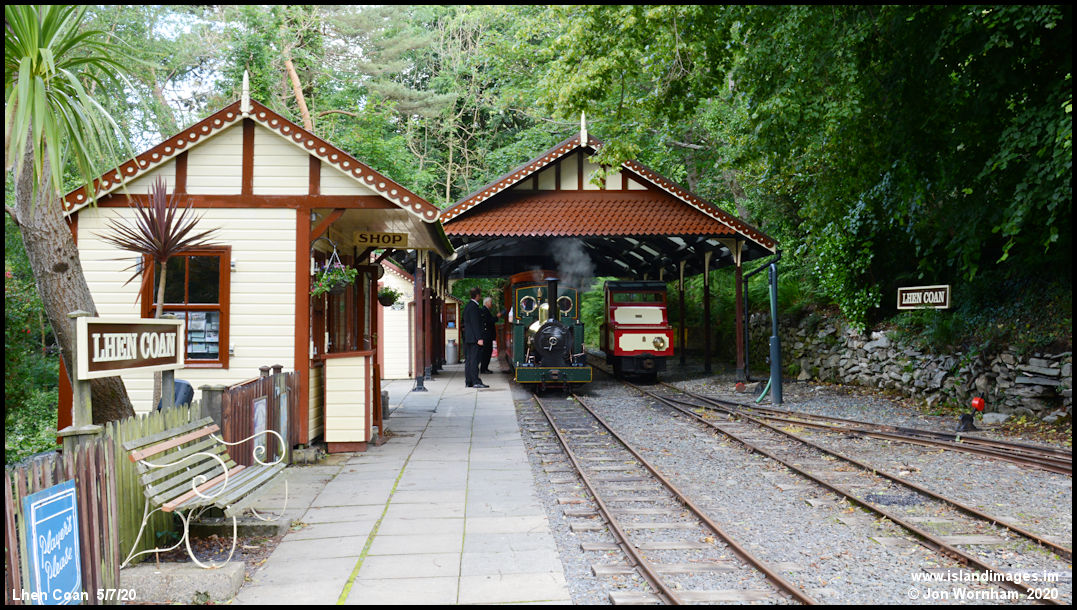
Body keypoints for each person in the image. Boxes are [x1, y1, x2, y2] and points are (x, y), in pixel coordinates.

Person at [462, 286, 488, 388]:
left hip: (468, 337)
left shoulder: (468, 306)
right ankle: (475, 381)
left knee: (469, 360)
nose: (480, 297)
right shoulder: (474, 307)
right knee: (474, 360)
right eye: (480, 295)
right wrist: (479, 338)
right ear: (477, 296)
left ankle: (468, 381)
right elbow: (475, 324)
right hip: (474, 338)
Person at [479, 296, 498, 374]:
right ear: (486, 303)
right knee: (486, 352)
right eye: (490, 302)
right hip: (486, 335)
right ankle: (483, 368)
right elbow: (489, 321)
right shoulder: (484, 311)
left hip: (488, 335)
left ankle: (485, 368)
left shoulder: (486, 310)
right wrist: (497, 317)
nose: (491, 304)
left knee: (488, 352)